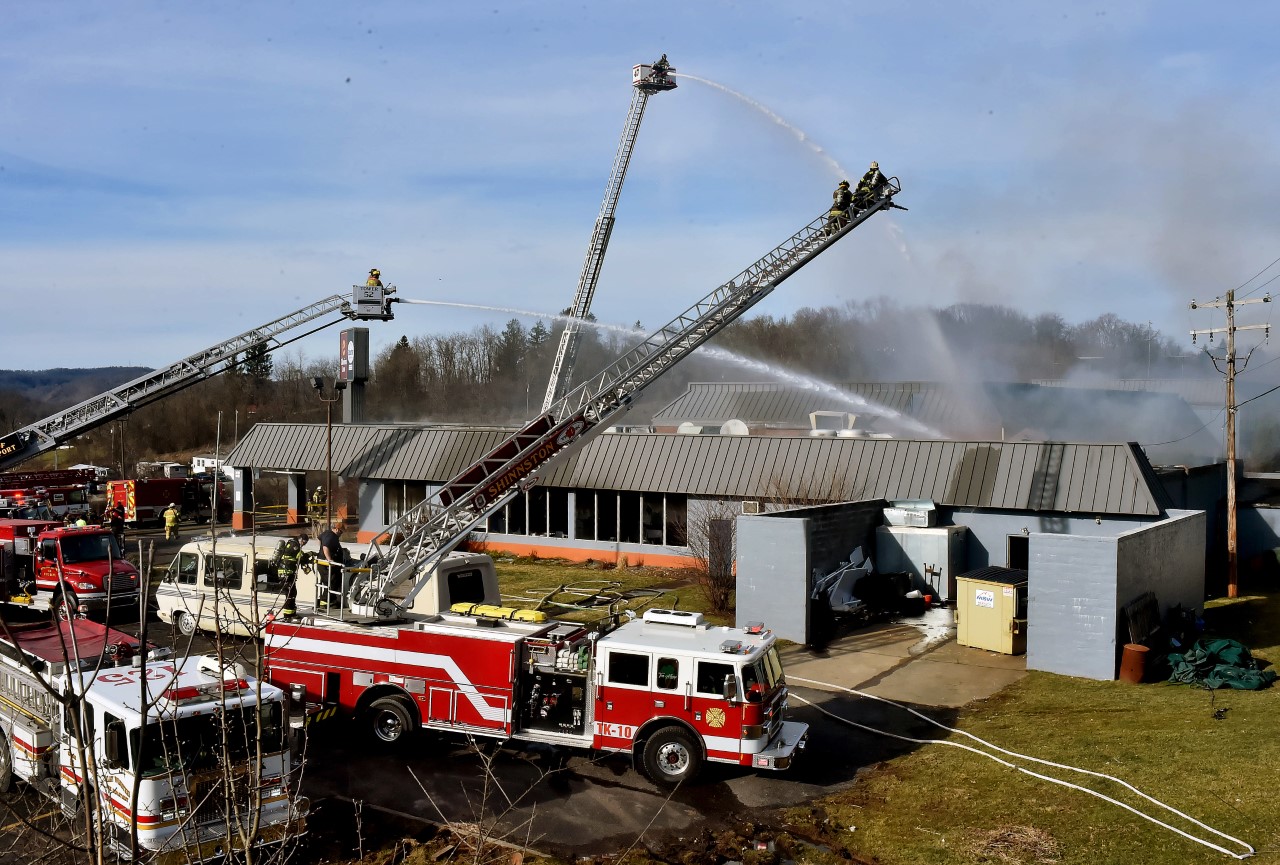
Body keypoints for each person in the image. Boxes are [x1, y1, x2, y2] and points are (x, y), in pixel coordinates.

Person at [273, 531, 309, 617]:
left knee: (292, 592)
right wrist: (310, 554)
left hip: (288, 573)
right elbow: (301, 557)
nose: (304, 544)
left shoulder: (293, 543)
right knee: (290, 593)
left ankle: (292, 612)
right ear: (300, 539)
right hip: (287, 573)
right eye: (304, 542)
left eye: (306, 543)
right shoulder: (295, 545)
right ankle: (288, 614)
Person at [317, 524, 345, 609]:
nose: (341, 533)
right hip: (326, 565)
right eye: (341, 531)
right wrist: (329, 559)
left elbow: (319, 539)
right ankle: (325, 602)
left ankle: (331, 600)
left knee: (332, 581)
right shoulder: (331, 536)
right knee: (330, 582)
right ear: (336, 529)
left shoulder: (327, 533)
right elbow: (326, 547)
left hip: (324, 563)